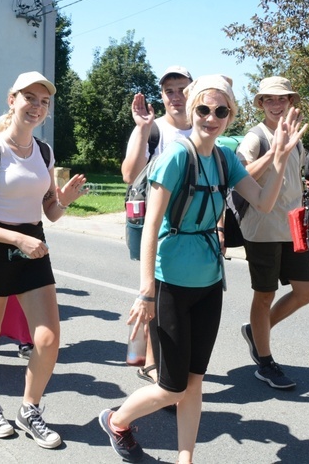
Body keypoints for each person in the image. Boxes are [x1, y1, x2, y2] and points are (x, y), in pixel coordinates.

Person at [99, 75, 306, 463]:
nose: (211, 117)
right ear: (192, 109)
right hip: (170, 282)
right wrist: (146, 291)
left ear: (230, 116)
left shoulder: (225, 157)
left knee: (195, 382)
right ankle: (116, 419)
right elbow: (152, 228)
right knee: (172, 387)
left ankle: (185, 458)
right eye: (204, 109)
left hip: (210, 281)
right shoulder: (177, 155)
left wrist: (278, 160)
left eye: (221, 111)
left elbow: (262, 202)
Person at [0, 71, 86, 448]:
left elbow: (50, 212)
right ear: (12, 99)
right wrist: (17, 238)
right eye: (30, 98)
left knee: (48, 339)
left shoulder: (44, 151)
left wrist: (64, 198)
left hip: (33, 246)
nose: (37, 106)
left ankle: (29, 409)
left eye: (44, 101)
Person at [237, 76, 309, 389]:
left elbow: (297, 177)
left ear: (290, 102)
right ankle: (265, 362)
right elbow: (239, 176)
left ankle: (258, 330)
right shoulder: (256, 138)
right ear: (260, 103)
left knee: (306, 291)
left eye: (281, 99)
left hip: (293, 226)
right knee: (265, 294)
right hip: (262, 228)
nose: (275, 104)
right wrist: (275, 153)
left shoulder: (295, 135)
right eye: (268, 99)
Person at [121, 65, 193, 385]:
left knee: (181, 299)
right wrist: (141, 128)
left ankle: (160, 358)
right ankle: (152, 362)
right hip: (161, 226)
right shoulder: (155, 130)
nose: (176, 96)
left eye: (182, 89)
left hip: (196, 229)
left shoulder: (206, 125)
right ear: (161, 96)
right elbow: (129, 172)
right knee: (160, 295)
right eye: (169, 91)